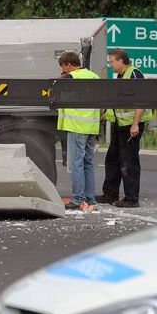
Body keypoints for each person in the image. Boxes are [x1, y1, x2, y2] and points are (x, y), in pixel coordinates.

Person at [98, 49, 145, 208]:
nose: (110, 65)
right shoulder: (120, 75)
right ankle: (110, 194)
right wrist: (107, 114)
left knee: (129, 162)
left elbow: (141, 100)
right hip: (121, 125)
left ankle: (132, 199)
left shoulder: (134, 74)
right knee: (113, 159)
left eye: (111, 62)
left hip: (131, 126)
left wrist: (135, 124)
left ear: (120, 60)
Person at [56, 51, 100, 212]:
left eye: (63, 67)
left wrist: (62, 75)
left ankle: (78, 199)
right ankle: (91, 199)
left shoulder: (72, 77)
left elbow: (55, 83)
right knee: (87, 163)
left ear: (68, 65)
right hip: (91, 127)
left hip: (77, 126)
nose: (64, 71)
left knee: (76, 164)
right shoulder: (94, 76)